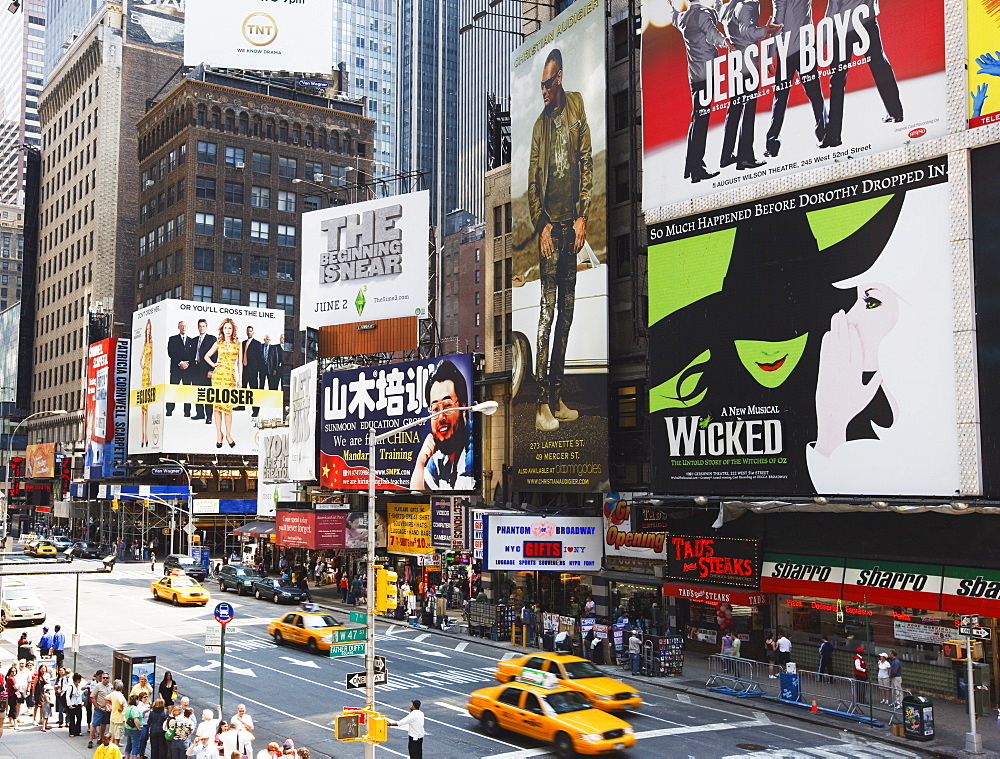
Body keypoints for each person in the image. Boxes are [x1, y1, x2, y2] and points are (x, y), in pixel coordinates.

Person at [527, 47, 593, 431]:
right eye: (540, 87)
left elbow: (586, 161)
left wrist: (583, 213)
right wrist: (542, 226)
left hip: (573, 226)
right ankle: (539, 406)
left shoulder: (577, 106)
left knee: (567, 314)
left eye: (547, 85)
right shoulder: (539, 125)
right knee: (547, 311)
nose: (543, 92)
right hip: (551, 229)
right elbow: (533, 181)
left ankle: (556, 396)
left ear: (560, 78)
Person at [822, 0, 902, 149]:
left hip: (843, 25)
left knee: (837, 78)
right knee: (879, 64)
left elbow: (834, 6)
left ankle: (834, 135)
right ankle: (896, 112)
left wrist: (824, 35)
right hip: (866, 20)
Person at [668, 0, 731, 183]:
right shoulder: (704, 14)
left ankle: (691, 167)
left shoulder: (683, 18)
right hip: (707, 73)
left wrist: (670, 7)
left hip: (695, 75)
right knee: (701, 119)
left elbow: (674, 17)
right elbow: (712, 34)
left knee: (698, 117)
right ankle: (697, 168)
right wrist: (726, 42)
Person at [719, 0, 780, 171]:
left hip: (736, 65)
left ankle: (726, 156)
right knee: (748, 110)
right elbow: (748, 32)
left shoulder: (726, 8)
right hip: (748, 64)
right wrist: (767, 30)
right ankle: (745, 157)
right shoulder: (748, 5)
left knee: (735, 109)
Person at [764, 0, 828, 156]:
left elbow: (778, 21)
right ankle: (825, 133)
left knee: (780, 98)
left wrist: (770, 53)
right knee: (815, 93)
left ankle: (772, 143)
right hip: (805, 47)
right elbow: (806, 15)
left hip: (788, 50)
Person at [409, 359, 476, 489]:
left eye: (447, 406)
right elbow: (417, 493)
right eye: (435, 409)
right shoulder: (439, 456)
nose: (441, 417)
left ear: (463, 407)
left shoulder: (472, 454)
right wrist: (420, 462)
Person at [204, 318, 244, 448]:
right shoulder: (218, 342)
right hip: (218, 377)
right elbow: (206, 356)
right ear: (222, 329)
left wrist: (240, 379)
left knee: (228, 407)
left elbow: (239, 363)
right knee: (217, 407)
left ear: (233, 330)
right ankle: (218, 434)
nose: (228, 330)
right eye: (226, 328)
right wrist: (214, 364)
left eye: (230, 328)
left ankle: (228, 434)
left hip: (230, 377)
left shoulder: (238, 343)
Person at [189, 318, 217, 424]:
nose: (201, 328)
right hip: (195, 370)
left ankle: (209, 416)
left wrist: (212, 370)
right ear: (198, 327)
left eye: (203, 326)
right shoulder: (194, 340)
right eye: (200, 326)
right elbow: (191, 355)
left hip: (206, 370)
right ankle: (200, 413)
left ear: (206, 327)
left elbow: (214, 355)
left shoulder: (211, 339)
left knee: (208, 394)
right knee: (198, 392)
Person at [166, 320, 194, 417]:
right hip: (176, 369)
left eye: (185, 326)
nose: (183, 328)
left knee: (187, 391)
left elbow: (193, 355)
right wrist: (180, 362)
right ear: (178, 327)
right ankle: (169, 410)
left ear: (187, 327)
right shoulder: (172, 339)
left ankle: (187, 412)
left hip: (188, 369)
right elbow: (171, 352)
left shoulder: (191, 341)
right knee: (173, 390)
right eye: (181, 326)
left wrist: (187, 364)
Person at [241, 326, 264, 416]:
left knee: (254, 390)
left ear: (253, 332)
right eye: (248, 331)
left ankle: (255, 410)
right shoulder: (243, 343)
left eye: (250, 331)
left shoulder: (257, 344)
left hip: (253, 371)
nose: (249, 332)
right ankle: (241, 405)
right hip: (244, 369)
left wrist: (258, 370)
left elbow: (259, 358)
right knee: (243, 388)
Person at [139, 319, 154, 447]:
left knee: (147, 407)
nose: (148, 331)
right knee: (142, 407)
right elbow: (140, 358)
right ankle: (142, 434)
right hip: (144, 374)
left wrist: (151, 377)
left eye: (150, 329)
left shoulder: (152, 344)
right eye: (147, 329)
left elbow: (152, 361)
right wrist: (141, 365)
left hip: (148, 373)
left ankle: (146, 435)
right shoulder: (145, 343)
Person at [89, 671, 113, 748]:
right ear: (101, 678)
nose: (105, 679)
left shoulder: (111, 686)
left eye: (107, 678)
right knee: (95, 724)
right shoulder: (98, 686)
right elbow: (92, 696)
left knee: (104, 724)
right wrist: (96, 706)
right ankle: (90, 740)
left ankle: (101, 738)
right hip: (99, 708)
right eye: (103, 678)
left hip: (107, 709)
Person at [123, 694, 144, 759]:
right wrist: (139, 728)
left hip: (128, 728)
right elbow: (136, 720)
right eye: (138, 700)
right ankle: (134, 757)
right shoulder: (134, 709)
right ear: (136, 700)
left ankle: (127, 757)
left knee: (129, 745)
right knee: (135, 746)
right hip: (135, 729)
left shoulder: (128, 707)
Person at [65, 672, 85, 736]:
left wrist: (81, 702)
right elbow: (67, 696)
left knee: (79, 717)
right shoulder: (70, 686)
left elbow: (79, 695)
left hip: (78, 703)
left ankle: (78, 730)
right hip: (72, 703)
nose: (80, 681)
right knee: (72, 718)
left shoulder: (79, 686)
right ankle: (72, 732)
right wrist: (69, 704)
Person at [109, 680, 127, 746]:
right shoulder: (120, 695)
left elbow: (106, 698)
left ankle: (112, 746)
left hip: (113, 716)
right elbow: (121, 702)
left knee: (113, 734)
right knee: (118, 735)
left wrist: (110, 705)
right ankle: (116, 749)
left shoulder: (113, 693)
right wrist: (121, 708)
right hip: (119, 718)